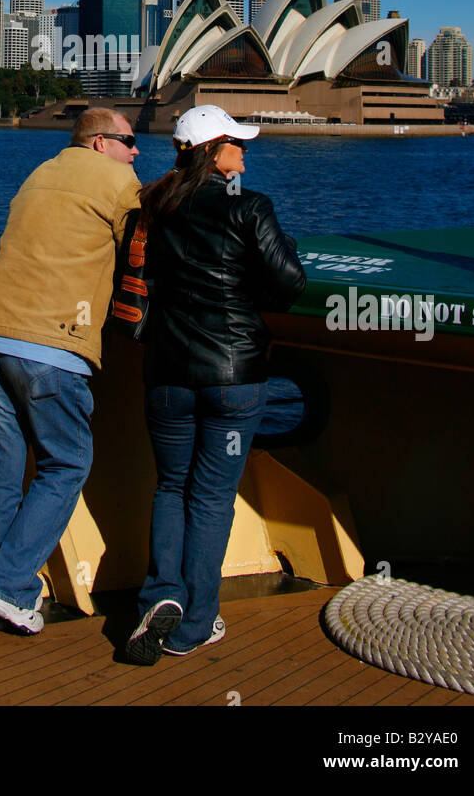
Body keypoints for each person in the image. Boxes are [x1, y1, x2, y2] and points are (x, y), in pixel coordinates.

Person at [126, 104, 306, 665]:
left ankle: (161, 597)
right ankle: (195, 624)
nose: (246, 158)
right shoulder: (250, 208)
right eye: (238, 145)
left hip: (166, 377)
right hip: (233, 377)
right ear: (213, 151)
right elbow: (289, 285)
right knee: (210, 498)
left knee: (170, 488)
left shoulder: (149, 208)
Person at [0, 107, 141, 634]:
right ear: (98, 144)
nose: (137, 151)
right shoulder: (119, 180)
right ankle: (7, 586)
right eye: (129, 140)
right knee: (66, 464)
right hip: (51, 349)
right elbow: (143, 251)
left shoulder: (39, 172)